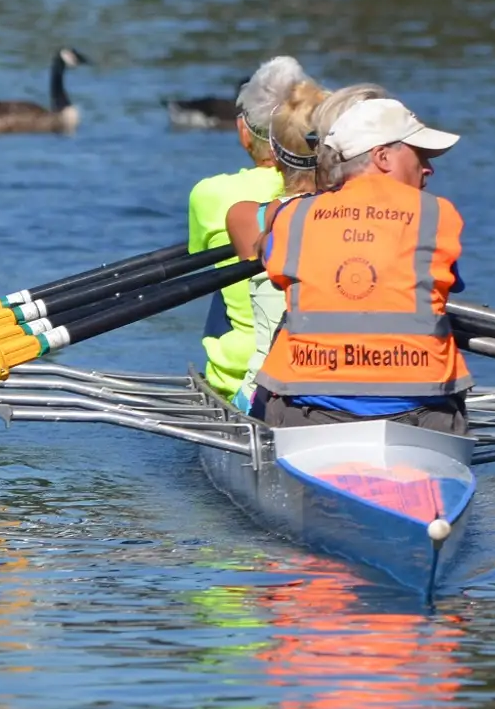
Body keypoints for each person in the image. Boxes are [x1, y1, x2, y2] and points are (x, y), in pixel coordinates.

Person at [249, 96, 471, 434]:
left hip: (308, 405)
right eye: (420, 155)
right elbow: (443, 280)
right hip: (420, 407)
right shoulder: (438, 213)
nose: (429, 168)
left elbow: (273, 261)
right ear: (382, 156)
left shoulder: (293, 216)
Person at [224, 83, 388, 413]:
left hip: (266, 391)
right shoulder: (375, 217)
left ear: (272, 148)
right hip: (366, 386)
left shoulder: (245, 217)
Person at [187, 56, 316, 400]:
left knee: (224, 279)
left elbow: (198, 258)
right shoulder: (339, 192)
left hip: (241, 372)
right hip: (322, 364)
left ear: (243, 131)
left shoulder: (210, 194)